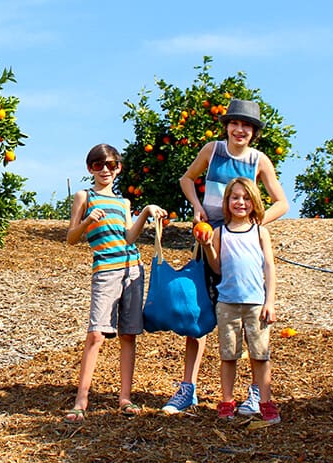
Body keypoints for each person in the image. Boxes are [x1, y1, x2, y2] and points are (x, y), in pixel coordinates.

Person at [163, 99, 288, 415]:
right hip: (209, 239)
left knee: (250, 318)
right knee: (199, 314)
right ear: (227, 126)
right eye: (235, 123)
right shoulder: (213, 150)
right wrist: (197, 206)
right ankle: (187, 389)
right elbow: (186, 179)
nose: (240, 129)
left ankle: (256, 393)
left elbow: (281, 202)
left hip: (241, 243)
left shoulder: (258, 160)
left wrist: (256, 222)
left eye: (247, 126)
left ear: (254, 132)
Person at [64, 143, 167, 423]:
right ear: (90, 169)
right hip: (105, 271)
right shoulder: (84, 196)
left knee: (128, 334)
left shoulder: (124, 203)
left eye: (110, 165)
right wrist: (86, 221)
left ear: (118, 168)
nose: (105, 170)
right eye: (98, 165)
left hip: (132, 269)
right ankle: (81, 400)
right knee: (96, 334)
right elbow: (71, 238)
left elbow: (130, 237)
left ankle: (125, 398)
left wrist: (145, 212)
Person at [198, 177, 281, 423]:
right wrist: (208, 247)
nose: (240, 202)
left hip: (256, 302)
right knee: (228, 354)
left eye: (245, 198)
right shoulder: (219, 232)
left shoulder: (260, 232)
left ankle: (265, 401)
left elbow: (269, 267)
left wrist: (270, 301)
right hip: (227, 302)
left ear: (254, 203)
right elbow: (217, 267)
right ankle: (227, 401)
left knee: (260, 354)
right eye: (235, 197)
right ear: (227, 202)